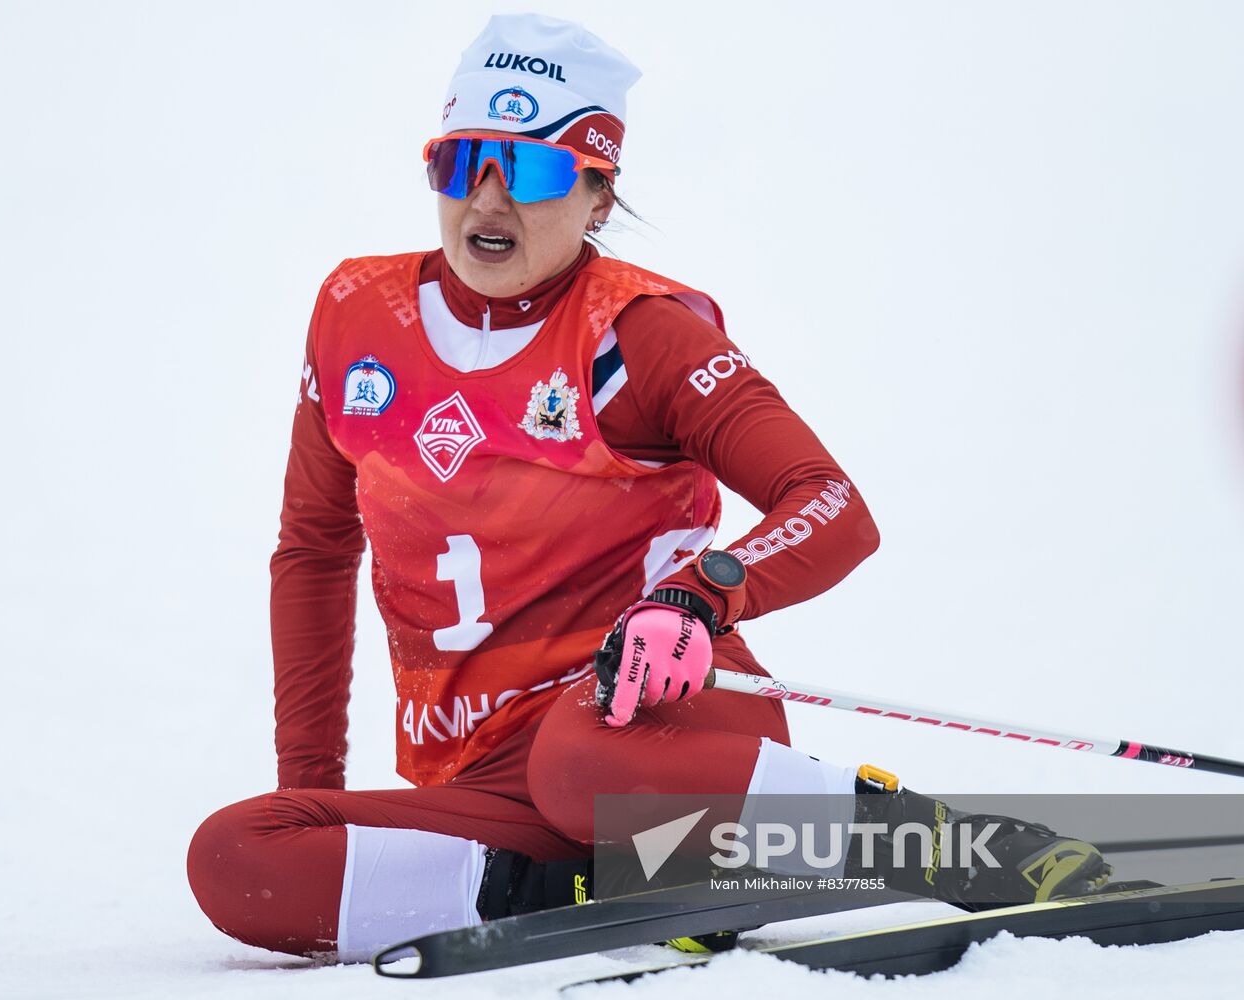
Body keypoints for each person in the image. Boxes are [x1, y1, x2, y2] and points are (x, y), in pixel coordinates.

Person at [186, 14, 1108, 962]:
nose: (487, 201)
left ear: (596, 193)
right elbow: (315, 551)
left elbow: (831, 504)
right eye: (461, 165)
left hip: (652, 727)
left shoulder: (639, 333)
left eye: (533, 171)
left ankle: (937, 844)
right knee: (236, 854)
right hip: (493, 778)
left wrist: (703, 595)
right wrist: (311, 797)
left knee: (585, 760)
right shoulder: (354, 315)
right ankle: (597, 888)